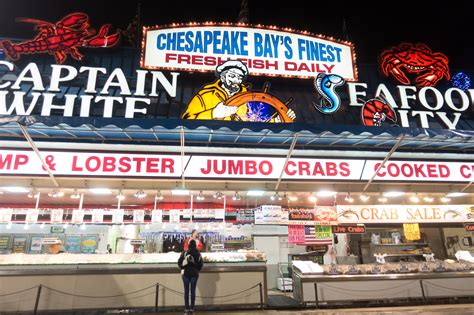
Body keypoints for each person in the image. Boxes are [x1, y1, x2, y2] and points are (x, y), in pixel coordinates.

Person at [181, 60, 295, 122]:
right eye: (232, 76)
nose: (236, 80)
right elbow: (186, 121)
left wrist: (280, 118)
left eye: (239, 77)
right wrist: (213, 113)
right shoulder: (205, 96)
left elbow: (257, 123)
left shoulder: (248, 99)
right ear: (222, 77)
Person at [178, 239, 203, 315]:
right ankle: (192, 309)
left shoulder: (185, 253)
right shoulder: (198, 254)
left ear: (188, 245)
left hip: (185, 274)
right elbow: (200, 266)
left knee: (186, 291)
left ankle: (186, 309)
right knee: (193, 291)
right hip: (194, 274)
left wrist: (184, 265)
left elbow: (179, 263)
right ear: (195, 245)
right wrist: (194, 264)